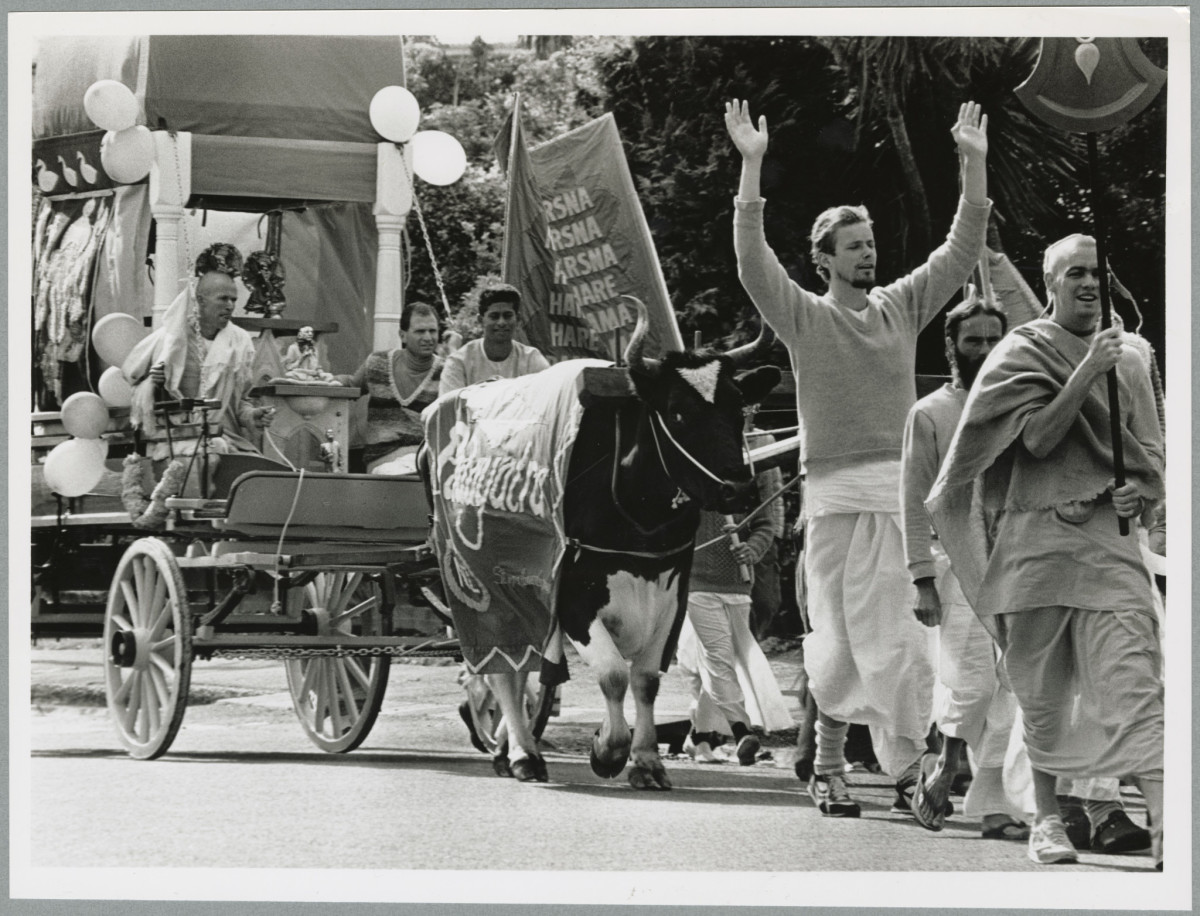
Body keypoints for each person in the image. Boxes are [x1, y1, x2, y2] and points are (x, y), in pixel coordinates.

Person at [725, 97, 990, 817]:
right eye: (854, 246)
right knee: (839, 644)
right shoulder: (805, 317)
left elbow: (960, 251)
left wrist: (973, 163)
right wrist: (752, 168)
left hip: (900, 503)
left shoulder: (902, 307)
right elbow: (752, 263)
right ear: (824, 261)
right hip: (836, 501)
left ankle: (905, 770)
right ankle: (832, 767)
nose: (869, 253)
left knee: (903, 645)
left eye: (871, 243)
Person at [926, 234, 1165, 867]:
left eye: (1099, 274)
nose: (1090, 284)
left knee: (1134, 676)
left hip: (1107, 548)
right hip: (1033, 545)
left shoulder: (1132, 362)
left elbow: (1152, 455)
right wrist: (1087, 369)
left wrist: (1135, 494)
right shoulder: (1019, 352)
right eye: (1077, 273)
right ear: (1051, 282)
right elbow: (1034, 440)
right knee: (1042, 694)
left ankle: (1169, 824)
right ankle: (1049, 820)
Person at [900, 291, 1031, 839]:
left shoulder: (1019, 405)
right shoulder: (929, 412)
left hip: (1018, 561)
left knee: (1013, 686)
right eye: (973, 339)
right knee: (973, 680)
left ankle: (994, 806)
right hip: (953, 565)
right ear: (952, 345)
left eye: (993, 338)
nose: (983, 348)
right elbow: (911, 497)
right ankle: (947, 764)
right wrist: (921, 580)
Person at [679, 411, 794, 765]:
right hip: (697, 584)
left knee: (726, 660)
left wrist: (753, 549)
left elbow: (763, 524)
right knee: (717, 658)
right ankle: (742, 729)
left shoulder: (747, 472)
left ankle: (697, 736)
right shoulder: (685, 470)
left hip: (738, 586)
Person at [123, 242, 274, 460]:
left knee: (253, 467)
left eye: (233, 300)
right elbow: (135, 391)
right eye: (223, 298)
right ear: (200, 301)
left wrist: (252, 416)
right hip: (175, 439)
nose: (230, 305)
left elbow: (242, 401)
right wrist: (152, 384)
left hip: (225, 437)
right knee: (211, 453)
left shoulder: (241, 342)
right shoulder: (170, 340)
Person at [337, 301, 443, 474]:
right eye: (420, 331)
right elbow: (350, 384)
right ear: (402, 335)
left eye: (433, 331)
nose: (428, 338)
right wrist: (322, 380)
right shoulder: (378, 363)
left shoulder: (446, 372)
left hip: (427, 461)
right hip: (383, 462)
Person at [438, 282, 550, 396]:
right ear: (481, 320)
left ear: (518, 319)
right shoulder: (459, 362)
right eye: (494, 316)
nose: (501, 322)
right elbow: (447, 409)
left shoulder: (531, 360)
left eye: (507, 316)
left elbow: (547, 402)